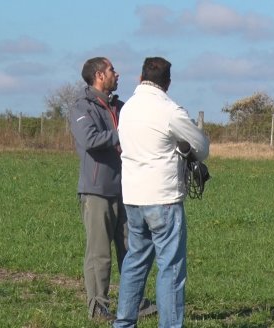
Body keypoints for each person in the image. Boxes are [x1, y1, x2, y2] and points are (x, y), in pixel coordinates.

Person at [113, 57, 210, 328]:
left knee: (135, 262)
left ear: (140, 76)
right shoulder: (169, 110)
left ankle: (124, 323)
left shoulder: (128, 108)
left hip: (132, 196)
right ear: (167, 82)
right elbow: (200, 146)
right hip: (163, 198)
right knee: (171, 268)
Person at [69, 57, 156, 321]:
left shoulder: (121, 106)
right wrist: (122, 134)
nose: (116, 74)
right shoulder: (81, 107)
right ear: (98, 75)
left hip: (127, 189)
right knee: (99, 253)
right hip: (97, 191)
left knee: (132, 249)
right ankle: (98, 307)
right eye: (111, 71)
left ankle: (136, 302)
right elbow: (90, 139)